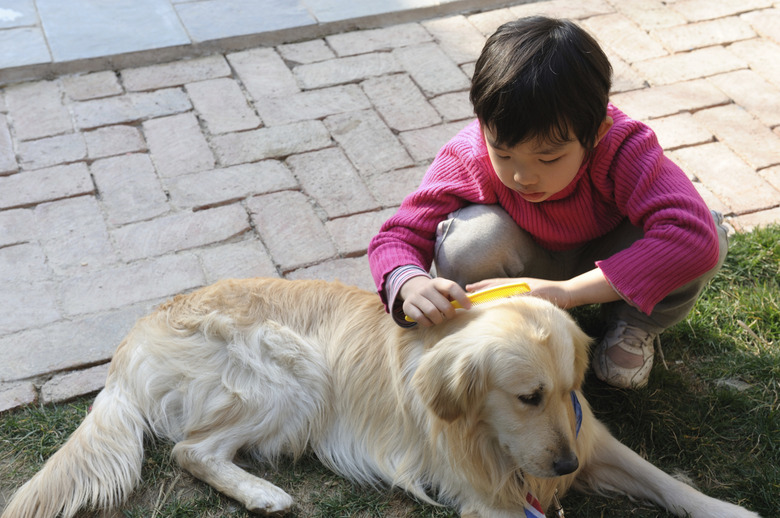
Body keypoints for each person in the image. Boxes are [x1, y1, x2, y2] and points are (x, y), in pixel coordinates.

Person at [367, 16, 729, 389]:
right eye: (504, 154)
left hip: (607, 254)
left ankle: (632, 323)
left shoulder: (624, 146)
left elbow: (692, 236)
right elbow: (397, 238)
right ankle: (505, 330)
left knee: (706, 236)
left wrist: (567, 293)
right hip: (523, 259)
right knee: (469, 243)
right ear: (482, 123)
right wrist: (408, 281)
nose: (523, 176)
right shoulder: (468, 154)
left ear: (597, 132)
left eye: (549, 158)